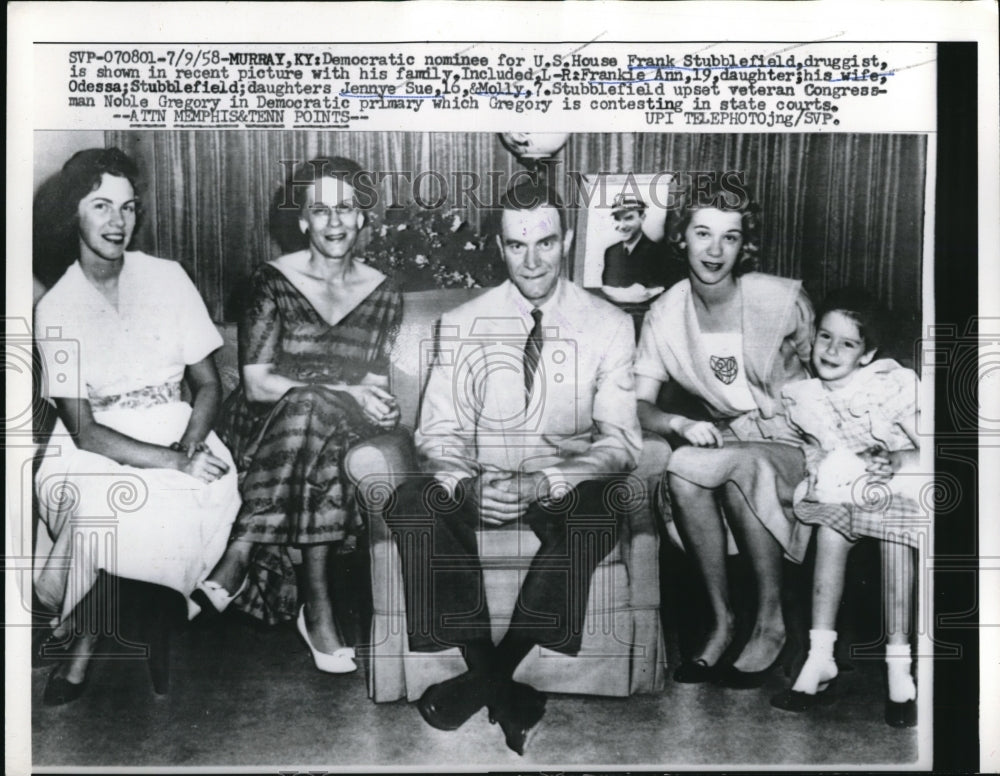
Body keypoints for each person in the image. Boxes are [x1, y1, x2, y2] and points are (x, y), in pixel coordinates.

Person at [382, 180, 643, 754]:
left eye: (546, 243)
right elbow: (438, 432)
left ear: (567, 241)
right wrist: (469, 485)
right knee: (410, 502)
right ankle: (499, 682)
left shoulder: (609, 325)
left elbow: (620, 440)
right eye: (517, 245)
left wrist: (548, 479)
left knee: (605, 505)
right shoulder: (462, 321)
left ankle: (488, 678)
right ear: (500, 247)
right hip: (485, 483)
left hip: (561, 485)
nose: (532, 260)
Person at [33, 147, 241, 705]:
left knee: (199, 486)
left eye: (128, 208)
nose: (117, 222)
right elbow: (84, 432)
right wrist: (175, 460)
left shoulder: (167, 278)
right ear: (71, 214)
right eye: (101, 205)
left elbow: (209, 383)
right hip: (93, 446)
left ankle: (87, 644)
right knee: (116, 503)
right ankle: (164, 602)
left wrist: (191, 443)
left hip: (179, 424)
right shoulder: (55, 307)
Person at [200, 156, 403, 674]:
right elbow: (258, 383)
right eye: (320, 210)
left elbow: (374, 383)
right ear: (302, 221)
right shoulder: (271, 281)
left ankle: (240, 552)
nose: (334, 222)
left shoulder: (384, 292)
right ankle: (319, 608)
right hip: (264, 427)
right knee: (313, 412)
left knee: (323, 423)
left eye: (346, 209)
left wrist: (377, 399)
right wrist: (346, 388)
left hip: (332, 428)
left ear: (362, 218)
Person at [634, 176, 814, 687]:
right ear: (682, 239)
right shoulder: (665, 313)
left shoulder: (781, 300)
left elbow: (832, 383)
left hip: (801, 439)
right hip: (734, 438)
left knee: (739, 465)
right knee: (684, 466)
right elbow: (639, 403)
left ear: (744, 245)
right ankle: (722, 620)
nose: (715, 250)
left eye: (730, 237)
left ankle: (772, 620)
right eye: (703, 233)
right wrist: (679, 422)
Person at [769, 289, 922, 728]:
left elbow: (933, 445)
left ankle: (899, 668)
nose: (832, 351)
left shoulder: (885, 386)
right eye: (824, 337)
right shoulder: (805, 396)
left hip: (904, 481)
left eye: (848, 343)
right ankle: (820, 657)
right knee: (830, 530)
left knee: (895, 537)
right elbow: (813, 446)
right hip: (849, 483)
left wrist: (896, 461)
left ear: (867, 353)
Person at [601, 192, 664, 289]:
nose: (622, 226)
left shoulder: (659, 253)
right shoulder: (611, 252)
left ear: (642, 218)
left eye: (628, 218)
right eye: (617, 219)